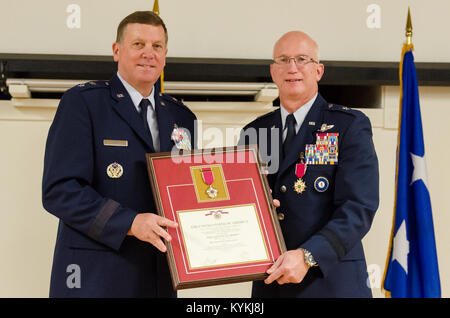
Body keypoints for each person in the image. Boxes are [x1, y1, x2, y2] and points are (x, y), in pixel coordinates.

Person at [42, 11, 196, 297]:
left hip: (159, 279)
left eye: (157, 46)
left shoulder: (182, 117)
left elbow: (186, 193)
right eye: (138, 44)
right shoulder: (84, 103)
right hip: (95, 277)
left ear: (165, 55)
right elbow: (60, 190)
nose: (149, 53)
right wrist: (130, 222)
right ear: (117, 50)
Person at [239, 31, 379, 297]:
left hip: (331, 282)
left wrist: (308, 256)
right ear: (273, 71)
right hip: (272, 282)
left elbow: (359, 207)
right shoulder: (256, 132)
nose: (292, 68)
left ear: (319, 70)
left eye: (302, 59)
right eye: (283, 60)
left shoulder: (348, 125)